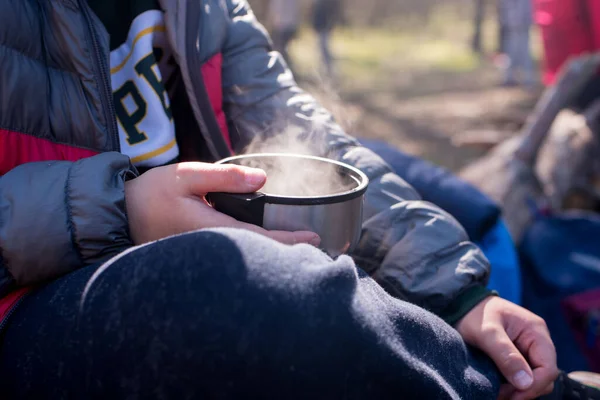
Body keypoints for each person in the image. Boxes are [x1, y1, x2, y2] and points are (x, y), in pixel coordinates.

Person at [0, 0, 560, 398]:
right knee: (248, 282)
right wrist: (123, 212)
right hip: (30, 308)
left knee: (343, 262)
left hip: (207, 263)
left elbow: (298, 130)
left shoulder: (207, 7)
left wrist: (457, 292)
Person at [498, 0, 536, 87]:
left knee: (525, 52)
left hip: (523, 27)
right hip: (511, 26)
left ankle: (528, 79)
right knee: (510, 52)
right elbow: (505, 9)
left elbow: (528, 9)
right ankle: (509, 78)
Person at [311, 0, 342, 81]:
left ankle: (329, 70)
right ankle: (323, 70)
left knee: (324, 50)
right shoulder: (319, 3)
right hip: (321, 28)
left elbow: (327, 16)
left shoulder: (325, 3)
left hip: (324, 28)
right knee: (321, 50)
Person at [269, 0, 300, 73]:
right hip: (289, 25)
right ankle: (286, 67)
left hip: (281, 26)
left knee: (280, 48)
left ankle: (283, 67)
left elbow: (274, 9)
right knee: (283, 48)